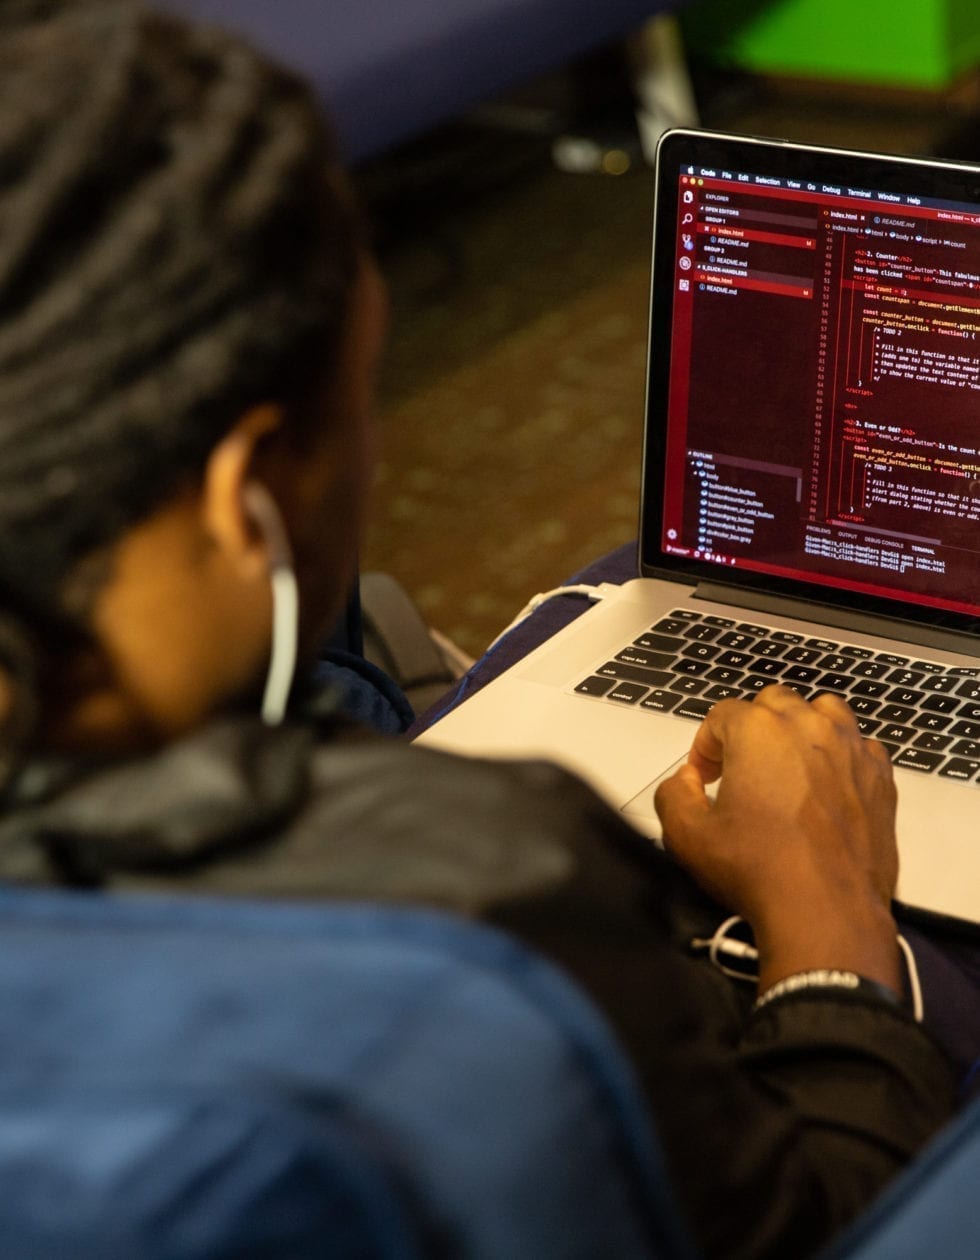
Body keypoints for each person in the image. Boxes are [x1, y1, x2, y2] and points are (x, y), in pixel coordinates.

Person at [0, 3, 961, 1257]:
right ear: (247, 500)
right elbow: (809, 1226)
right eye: (362, 400)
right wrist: (827, 934)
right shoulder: (476, 913)